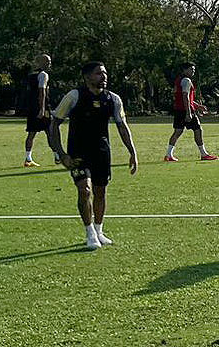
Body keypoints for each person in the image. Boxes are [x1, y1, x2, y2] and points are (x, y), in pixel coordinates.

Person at [47, 61, 139, 250]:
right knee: (84, 190)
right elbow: (54, 123)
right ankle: (89, 232)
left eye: (104, 73)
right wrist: (61, 153)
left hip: (102, 152)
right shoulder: (74, 96)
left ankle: (99, 230)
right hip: (78, 153)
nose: (103, 77)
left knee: (100, 191)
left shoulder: (113, 99)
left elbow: (122, 126)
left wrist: (132, 152)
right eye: (98, 73)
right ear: (87, 77)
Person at [164, 63, 217, 162]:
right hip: (186, 110)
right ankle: (203, 154)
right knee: (198, 129)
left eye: (194, 70)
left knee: (177, 132)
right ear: (184, 70)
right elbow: (185, 97)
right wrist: (188, 112)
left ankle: (168, 155)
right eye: (191, 69)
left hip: (178, 110)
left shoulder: (179, 80)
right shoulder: (186, 81)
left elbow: (186, 98)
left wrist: (198, 106)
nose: (193, 71)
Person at [21, 53, 54, 166]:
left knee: (31, 133)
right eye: (48, 61)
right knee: (51, 132)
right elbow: (42, 92)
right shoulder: (43, 75)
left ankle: (28, 158)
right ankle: (58, 156)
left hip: (32, 108)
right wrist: (42, 109)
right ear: (42, 63)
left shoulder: (31, 75)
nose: (50, 64)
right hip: (41, 108)